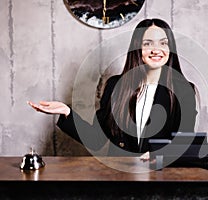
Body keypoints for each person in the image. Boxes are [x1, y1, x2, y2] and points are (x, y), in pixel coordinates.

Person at [28, 18, 198, 160]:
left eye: (163, 43)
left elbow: (184, 144)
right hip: (118, 176)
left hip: (162, 179)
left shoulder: (184, 92)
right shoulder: (116, 85)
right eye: (148, 43)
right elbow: (97, 138)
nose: (156, 49)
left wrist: (158, 155)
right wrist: (67, 112)